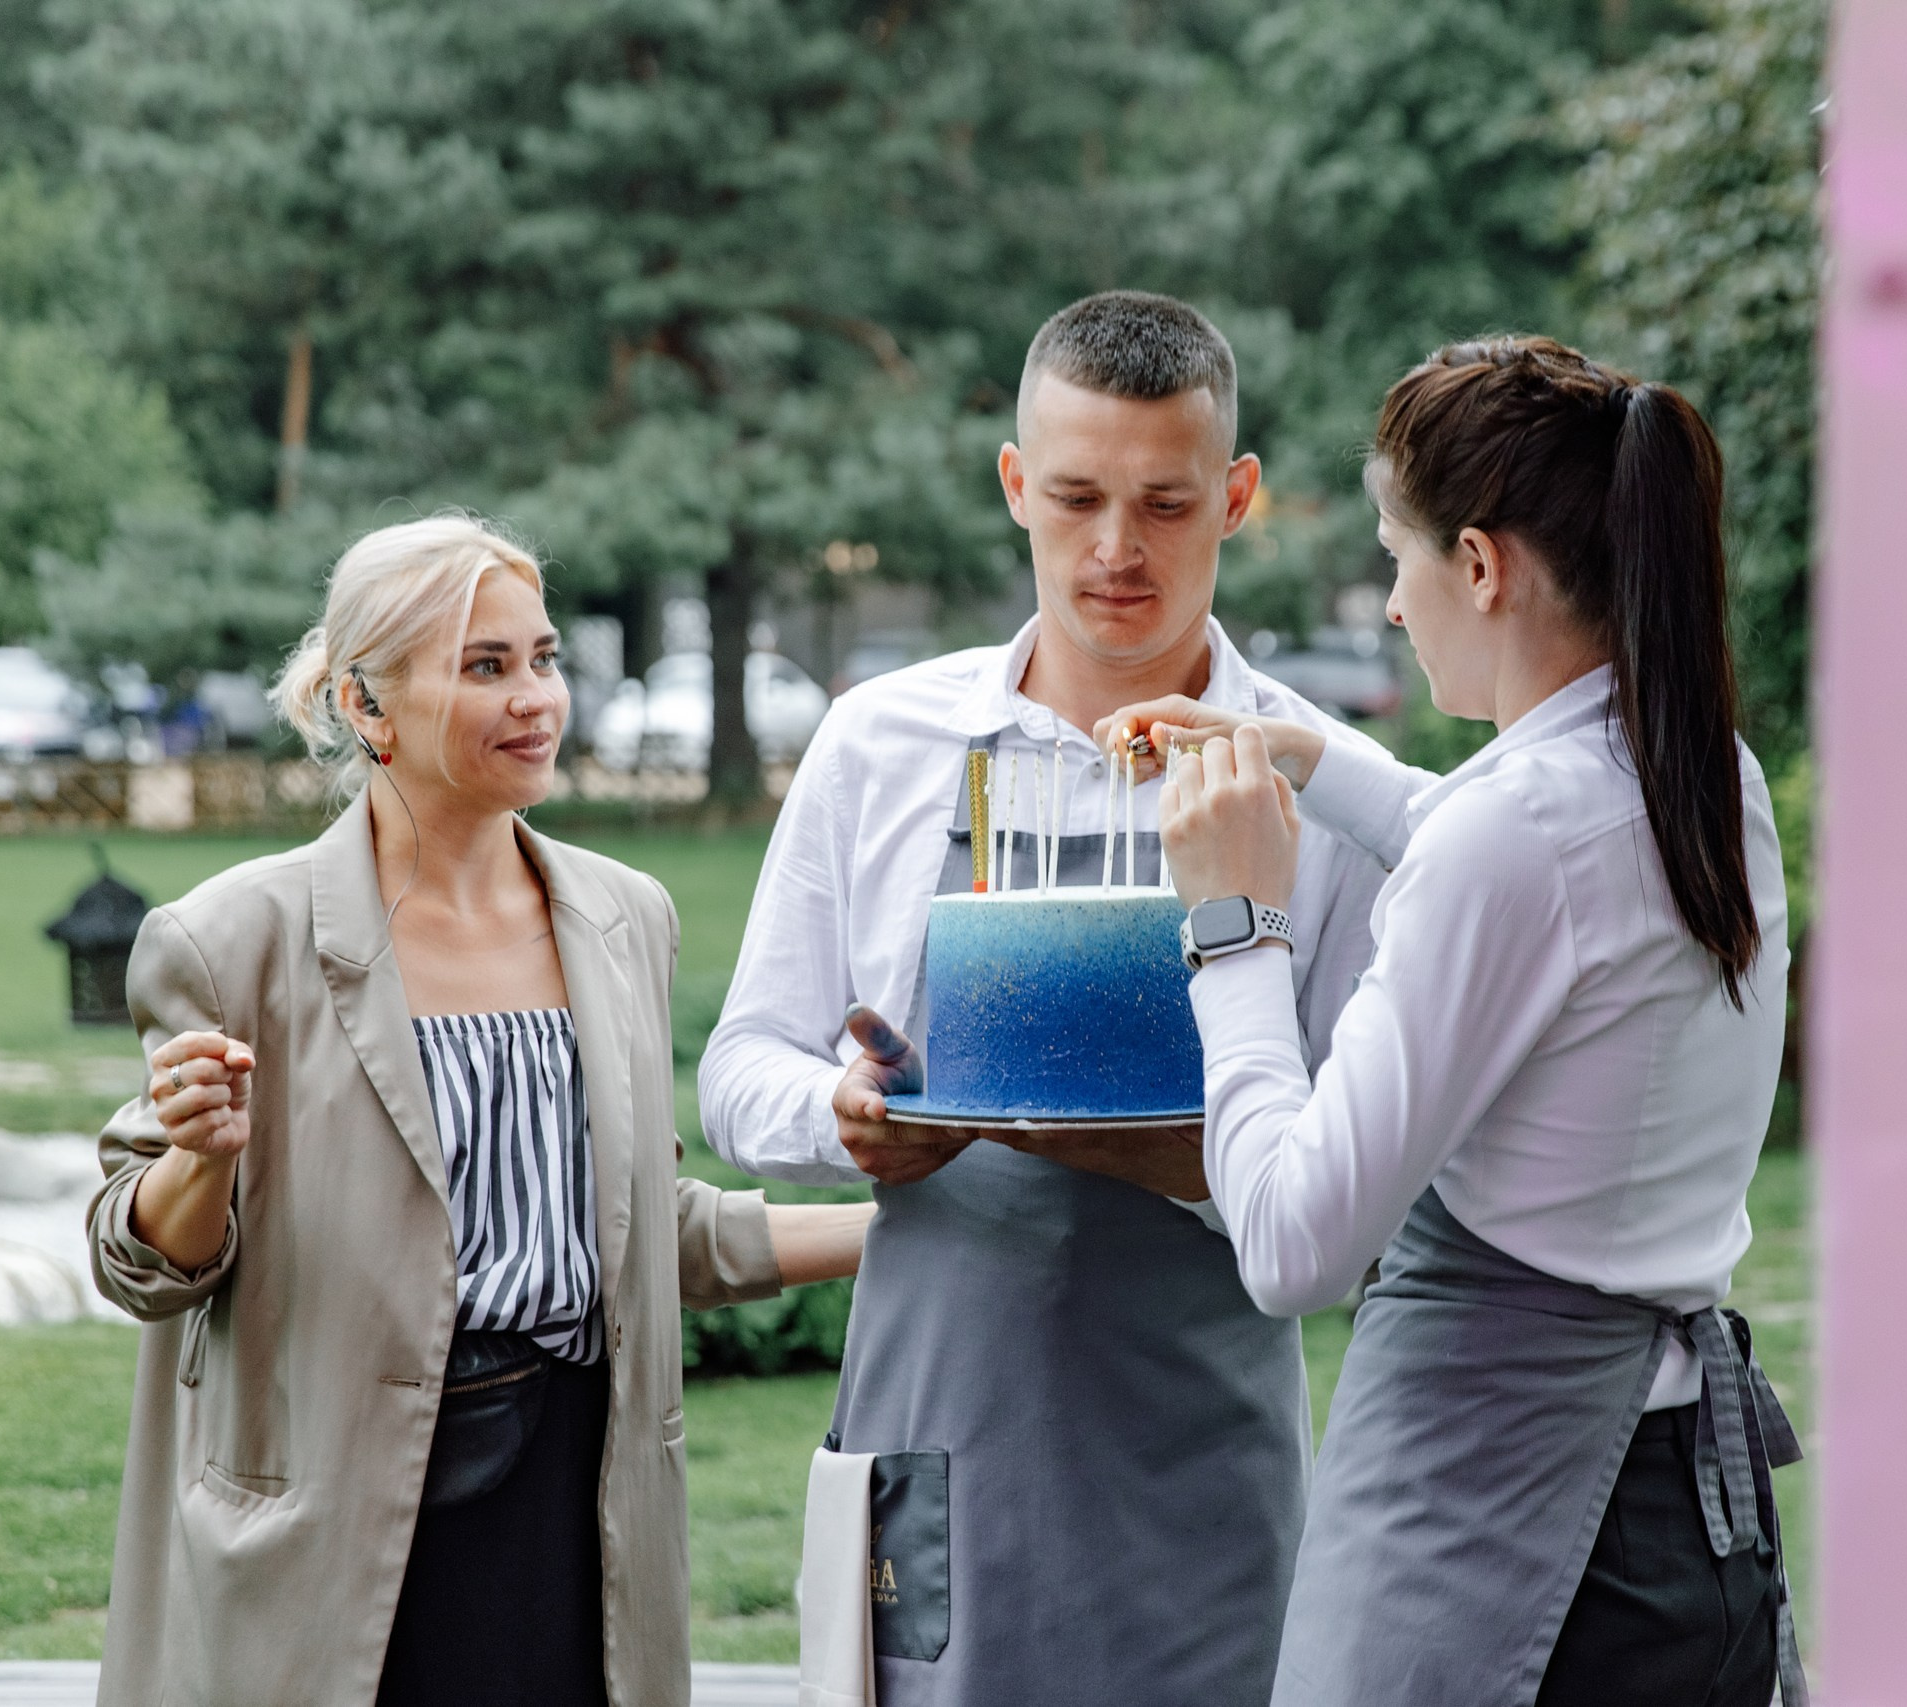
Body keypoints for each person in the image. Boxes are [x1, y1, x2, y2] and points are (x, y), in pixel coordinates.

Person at [697, 291, 1391, 1707]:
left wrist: (1196, 1159)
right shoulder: (878, 744)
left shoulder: (1324, 788)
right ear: (1015, 484)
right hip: (940, 1406)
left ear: (1238, 497)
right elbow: (737, 1067)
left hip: (1202, 1432)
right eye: (1074, 496)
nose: (1115, 549)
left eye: (1165, 503)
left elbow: (1370, 1182)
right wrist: (846, 1115)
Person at [1109, 336, 1803, 1707]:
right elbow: (1521, 863)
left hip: (1519, 1536)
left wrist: (1235, 923)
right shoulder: (1703, 771)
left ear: (1479, 566)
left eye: (1396, 555)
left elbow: (1298, 1241)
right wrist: (1314, 763)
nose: (1387, 602)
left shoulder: (1518, 830)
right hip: (1682, 1516)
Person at [85, 516, 874, 1707]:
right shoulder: (231, 937)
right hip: (340, 1529)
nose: (535, 700)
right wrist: (199, 1161)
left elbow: (642, 1233)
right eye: (485, 667)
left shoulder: (622, 919)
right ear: (366, 703)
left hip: (579, 1501)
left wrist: (900, 1229)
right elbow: (145, 1266)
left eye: (543, 659)